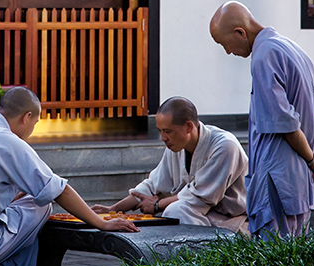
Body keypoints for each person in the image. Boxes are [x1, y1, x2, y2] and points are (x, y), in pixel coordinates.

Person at [0, 86, 139, 266]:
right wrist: (102, 223)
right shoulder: (7, 140)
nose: (32, 130)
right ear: (27, 117)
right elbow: (58, 190)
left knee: (30, 198)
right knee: (42, 205)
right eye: (35, 123)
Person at [209, 1, 314, 237]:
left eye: (223, 44)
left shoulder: (263, 57)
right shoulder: (293, 49)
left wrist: (313, 162)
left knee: (274, 264)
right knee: (296, 258)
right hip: (299, 179)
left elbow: (284, 122)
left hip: (276, 178)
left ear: (240, 32)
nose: (227, 51)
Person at [92, 96, 250, 235]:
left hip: (230, 222)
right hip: (200, 218)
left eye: (167, 131)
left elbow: (199, 197)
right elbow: (152, 185)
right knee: (174, 211)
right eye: (160, 131)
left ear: (188, 127)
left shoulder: (225, 146)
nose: (163, 138)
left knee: (176, 210)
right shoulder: (177, 145)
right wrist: (112, 210)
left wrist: (156, 205)